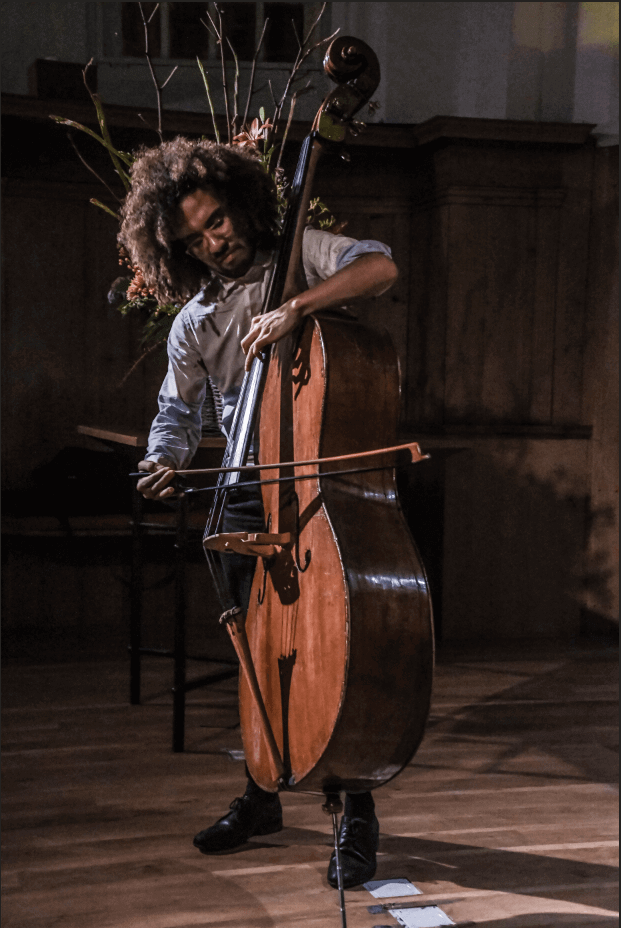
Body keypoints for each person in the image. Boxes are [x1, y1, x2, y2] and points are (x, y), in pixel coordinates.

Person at [120, 137, 398, 888]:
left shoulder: (297, 255)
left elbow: (379, 265)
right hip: (247, 486)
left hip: (313, 488)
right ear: (177, 250)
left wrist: (296, 308)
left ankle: (355, 813)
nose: (216, 242)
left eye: (218, 221)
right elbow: (177, 416)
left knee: (329, 652)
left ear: (240, 202)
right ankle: (261, 793)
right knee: (258, 654)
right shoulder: (193, 322)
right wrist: (162, 460)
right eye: (195, 239)